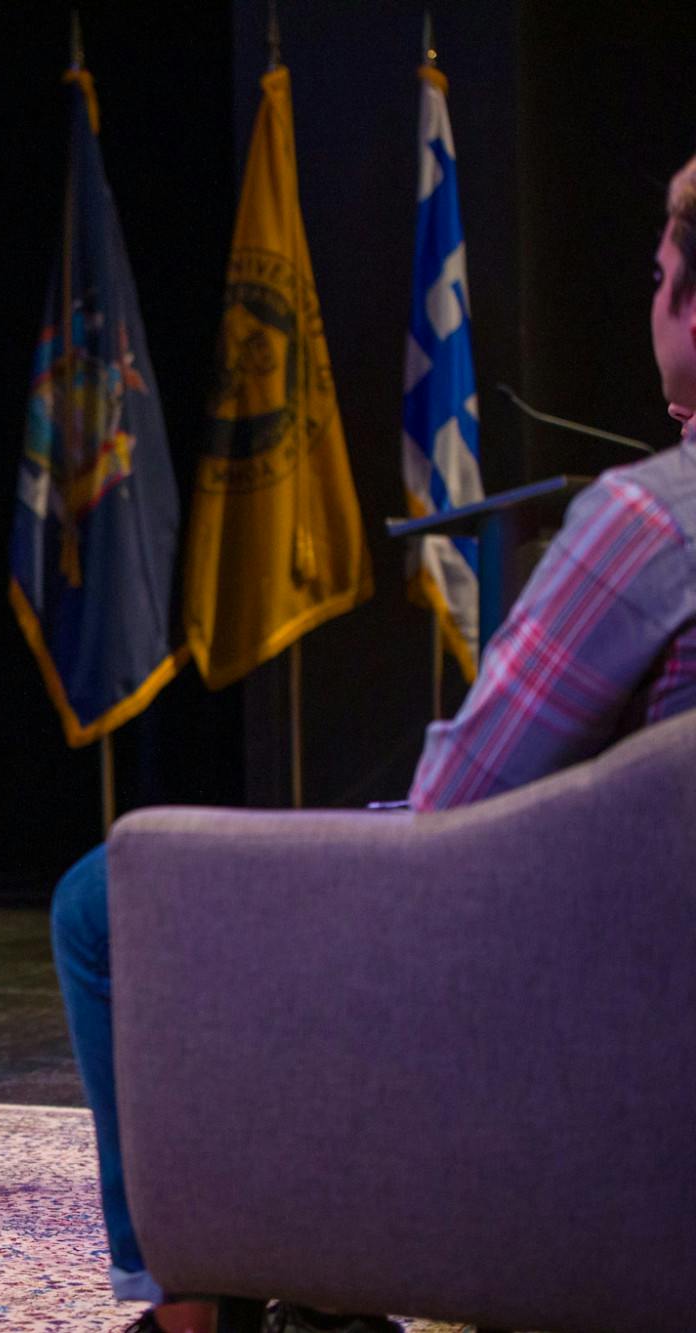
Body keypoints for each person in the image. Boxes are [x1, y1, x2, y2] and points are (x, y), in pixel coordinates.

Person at [51, 153, 696, 1333]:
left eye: (660, 277)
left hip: (556, 990)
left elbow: (453, 807)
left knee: (105, 901)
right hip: (636, 989)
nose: (648, 301)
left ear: (691, 306)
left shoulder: (650, 523)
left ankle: (192, 1311)